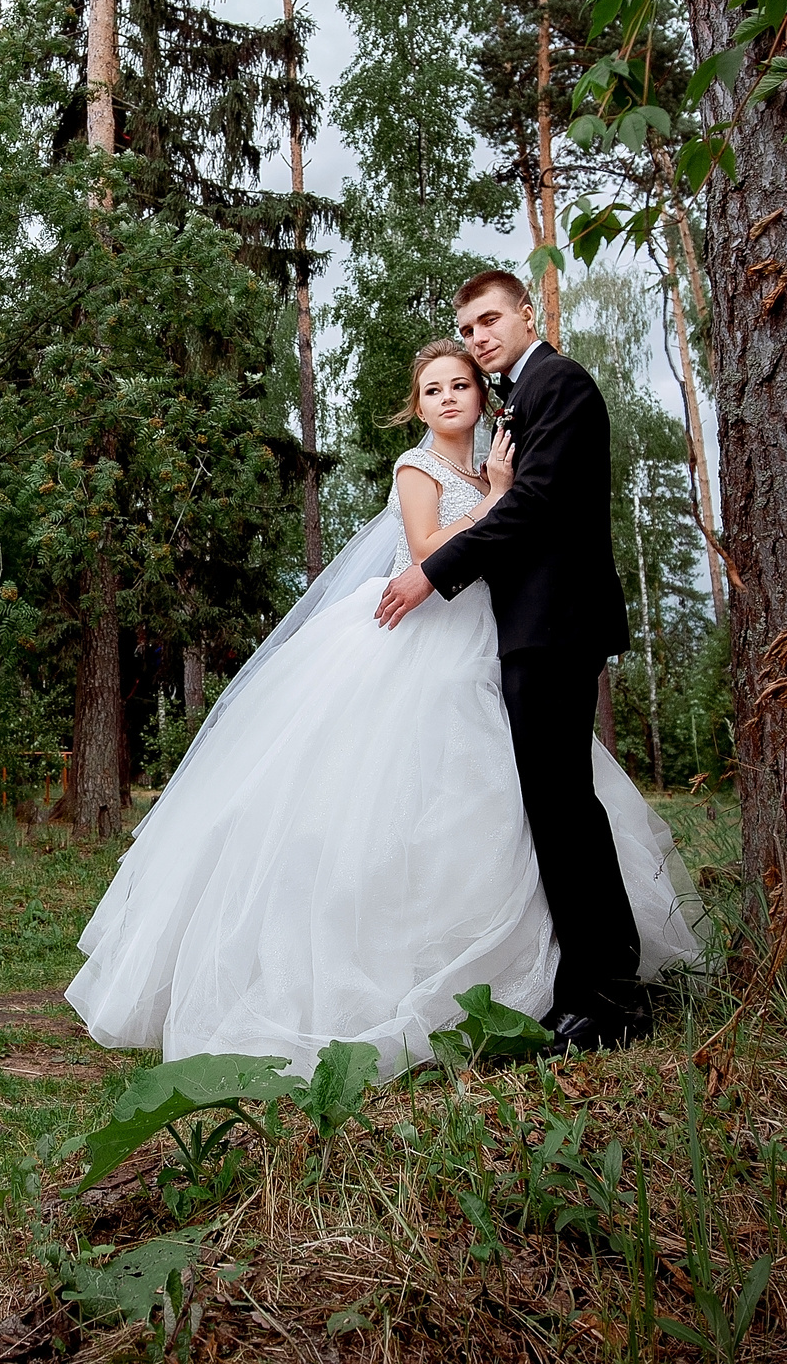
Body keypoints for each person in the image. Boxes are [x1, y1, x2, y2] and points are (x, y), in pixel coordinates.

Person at [65, 331, 696, 1077]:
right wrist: (495, 500)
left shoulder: (501, 455)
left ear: (481, 396)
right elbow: (428, 550)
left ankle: (560, 978)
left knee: (520, 800)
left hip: (489, 641)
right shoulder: (419, 465)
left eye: (459, 385)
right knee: (394, 805)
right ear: (417, 407)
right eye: (432, 390)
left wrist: (504, 493)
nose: (447, 398)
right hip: (418, 640)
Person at [377, 269, 647, 1049]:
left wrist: (433, 570)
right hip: (529, 628)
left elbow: (534, 504)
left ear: (527, 313)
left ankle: (607, 1000)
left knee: (564, 811)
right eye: (467, 329)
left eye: (490, 320)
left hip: (553, 625)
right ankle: (589, 987)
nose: (479, 337)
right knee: (556, 809)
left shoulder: (557, 384)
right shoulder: (520, 398)